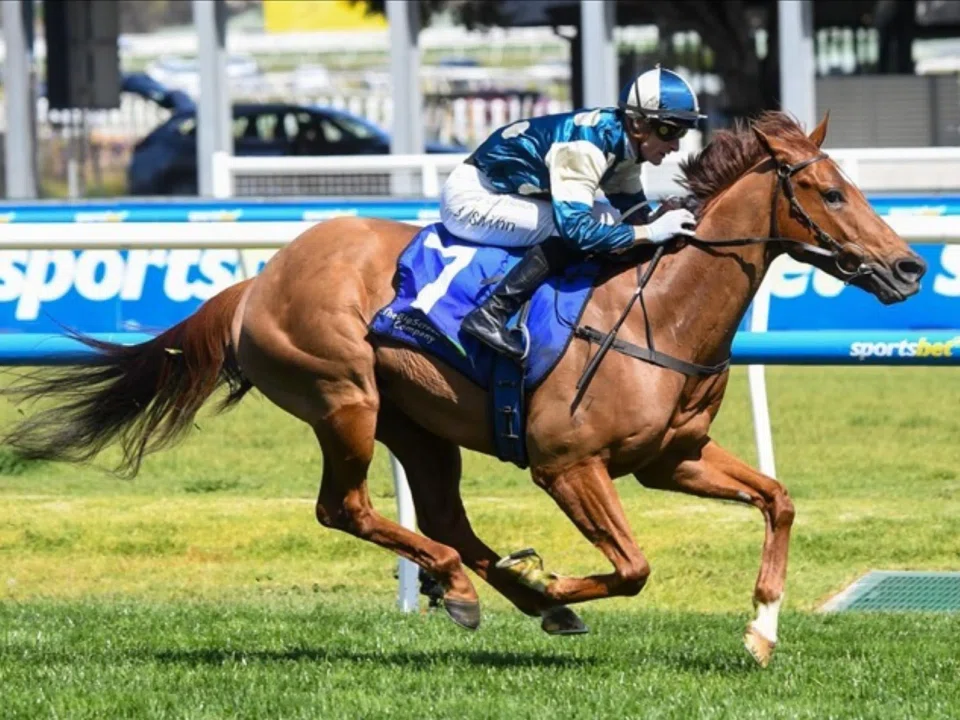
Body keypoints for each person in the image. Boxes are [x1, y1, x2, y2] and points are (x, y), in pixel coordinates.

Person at [439, 65, 704, 362]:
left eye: (682, 130)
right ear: (639, 124)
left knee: (608, 219)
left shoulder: (625, 142)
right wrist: (652, 231)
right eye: (670, 129)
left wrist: (664, 220)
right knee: (574, 226)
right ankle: (492, 313)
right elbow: (577, 231)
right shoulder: (585, 147)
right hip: (472, 199)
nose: (676, 144)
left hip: (505, 192)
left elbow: (634, 213)